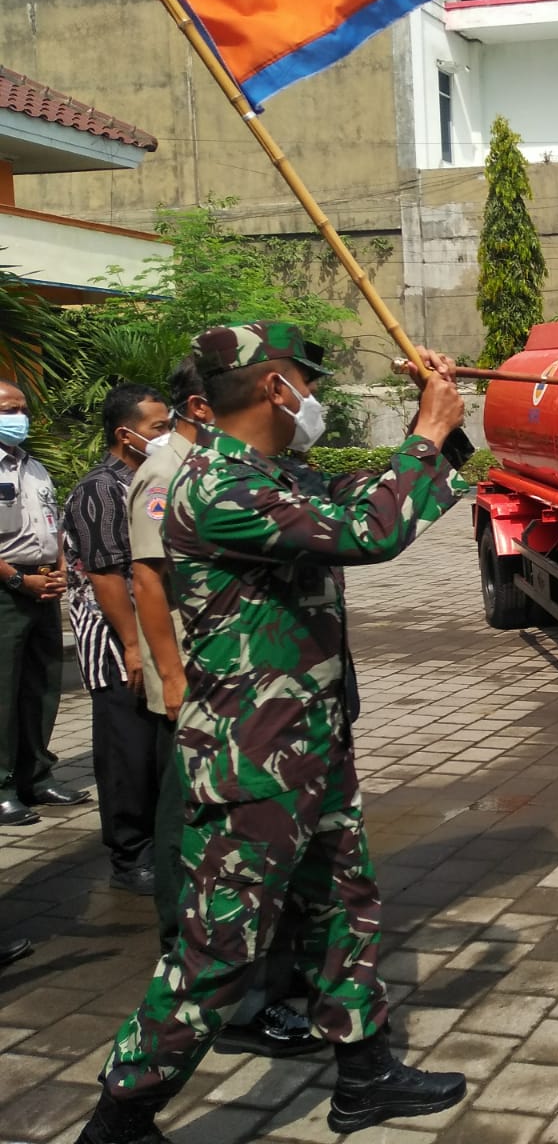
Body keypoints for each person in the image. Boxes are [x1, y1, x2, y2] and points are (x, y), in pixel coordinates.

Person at [75, 322, 471, 1144]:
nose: (314, 398)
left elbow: (367, 505)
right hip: (251, 756)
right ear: (272, 386)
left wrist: (437, 425)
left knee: (341, 906)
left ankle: (364, 1077)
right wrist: (428, 432)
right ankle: (121, 1117)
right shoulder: (219, 485)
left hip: (305, 739)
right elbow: (371, 534)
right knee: (219, 946)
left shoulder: (265, 473)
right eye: (306, 381)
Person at [126, 356, 319, 1058]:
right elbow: (146, 579)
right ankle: (209, 977)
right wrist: (168, 675)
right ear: (200, 406)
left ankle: (261, 975)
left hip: (246, 677)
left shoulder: (237, 468)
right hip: (209, 681)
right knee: (201, 829)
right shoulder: (168, 472)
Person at [63, 383, 171, 895]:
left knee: (155, 748)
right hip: (115, 641)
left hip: (152, 635)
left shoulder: (147, 477)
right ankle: (130, 855)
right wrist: (131, 645)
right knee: (126, 750)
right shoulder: (102, 489)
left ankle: (160, 841)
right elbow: (107, 576)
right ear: (124, 433)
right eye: (157, 428)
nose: (165, 435)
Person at [1, 379, 87, 827]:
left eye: (21, 408)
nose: (17, 417)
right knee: (3, 692)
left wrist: (57, 573)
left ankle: (36, 774)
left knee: (41, 686)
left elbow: (51, 526)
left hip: (43, 585)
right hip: (6, 588)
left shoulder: (34, 467)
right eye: (6, 409)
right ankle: (2, 786)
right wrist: (18, 579)